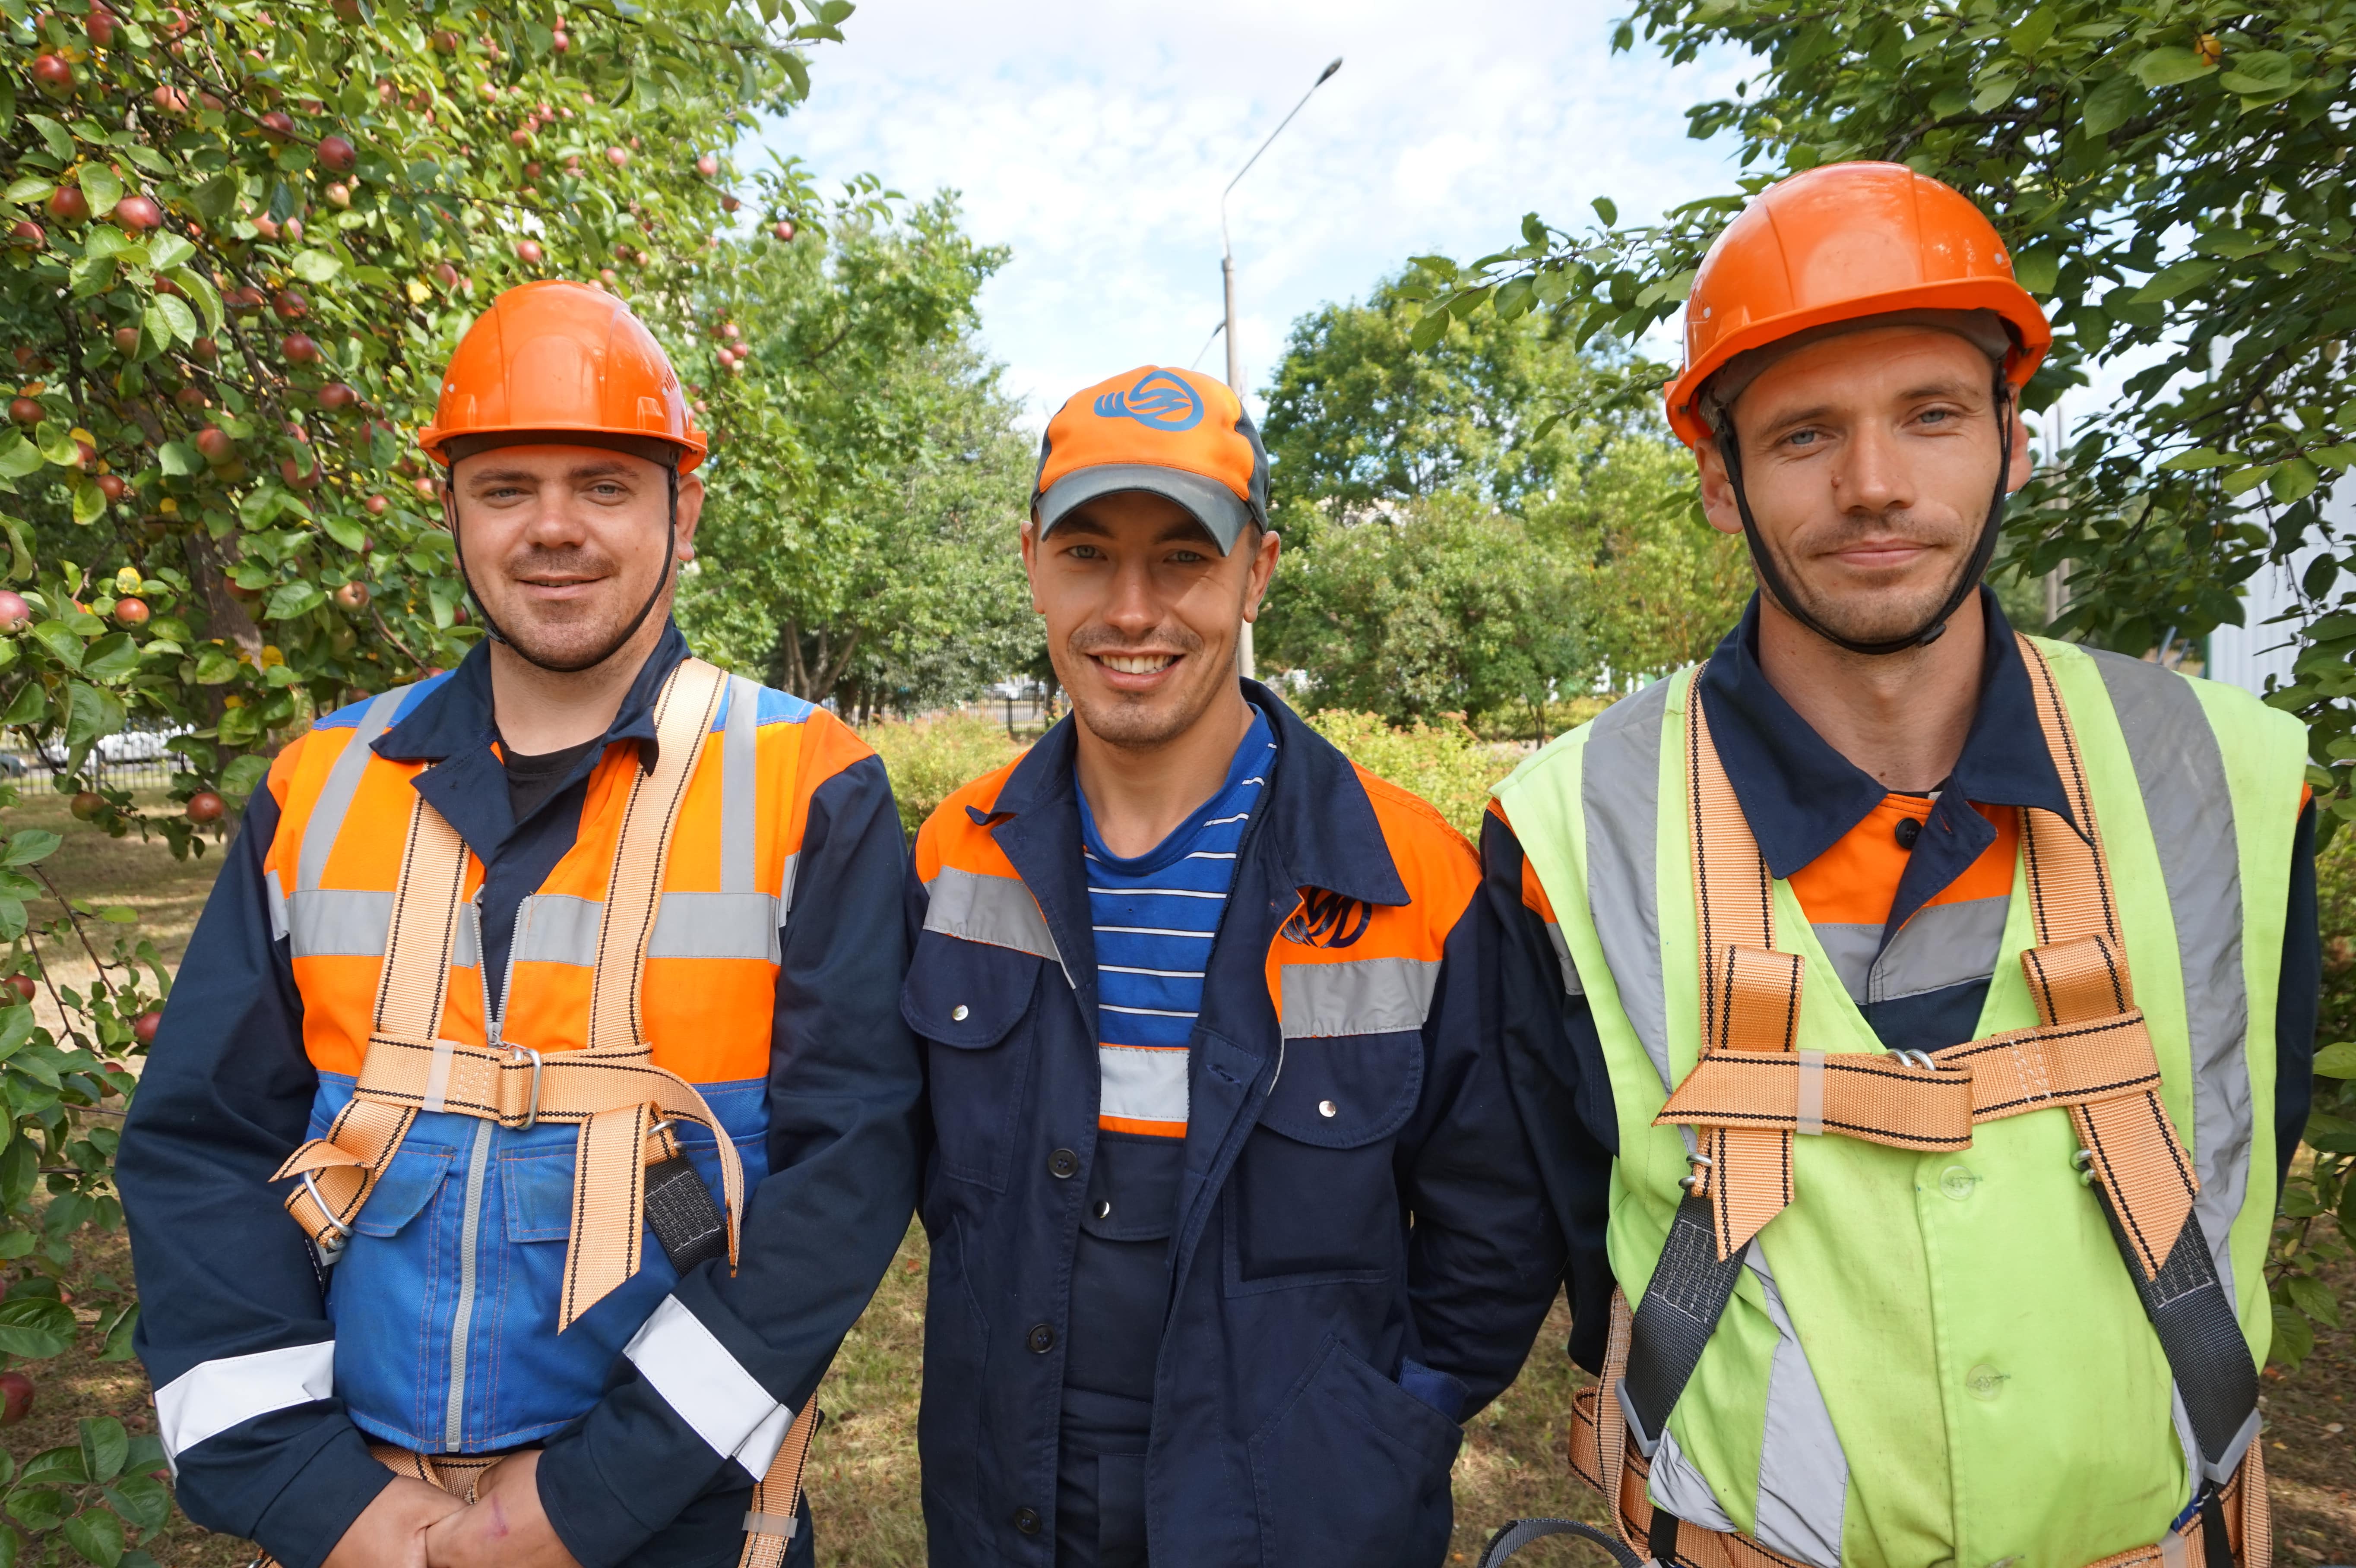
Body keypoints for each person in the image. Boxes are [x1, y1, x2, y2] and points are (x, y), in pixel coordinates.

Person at [1483, 161, 2322, 1568]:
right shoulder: (1567, 833)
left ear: (2015, 440)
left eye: (1931, 416)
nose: (1874, 487)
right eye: (1805, 433)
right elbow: (1578, 1252)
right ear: (1717, 477)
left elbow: (2252, 1144)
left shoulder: (2231, 783)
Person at [117, 281, 922, 1568]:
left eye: (605, 484)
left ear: (685, 508)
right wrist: (315, 1495)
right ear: (451, 509)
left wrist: (586, 1503)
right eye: (506, 488)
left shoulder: (806, 781)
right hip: (367, 1505)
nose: (555, 529)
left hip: (679, 1516)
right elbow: (198, 1149)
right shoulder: (317, 784)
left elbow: (850, 1177)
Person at [905, 365, 1563, 1568]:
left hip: (1304, 1517)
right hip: (1011, 1509)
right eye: (1090, 554)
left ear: (1258, 569)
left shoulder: (1417, 881)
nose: (1135, 609)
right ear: (1032, 563)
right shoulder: (954, 858)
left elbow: (1497, 1224)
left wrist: (1387, 1423)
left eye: (1187, 560)